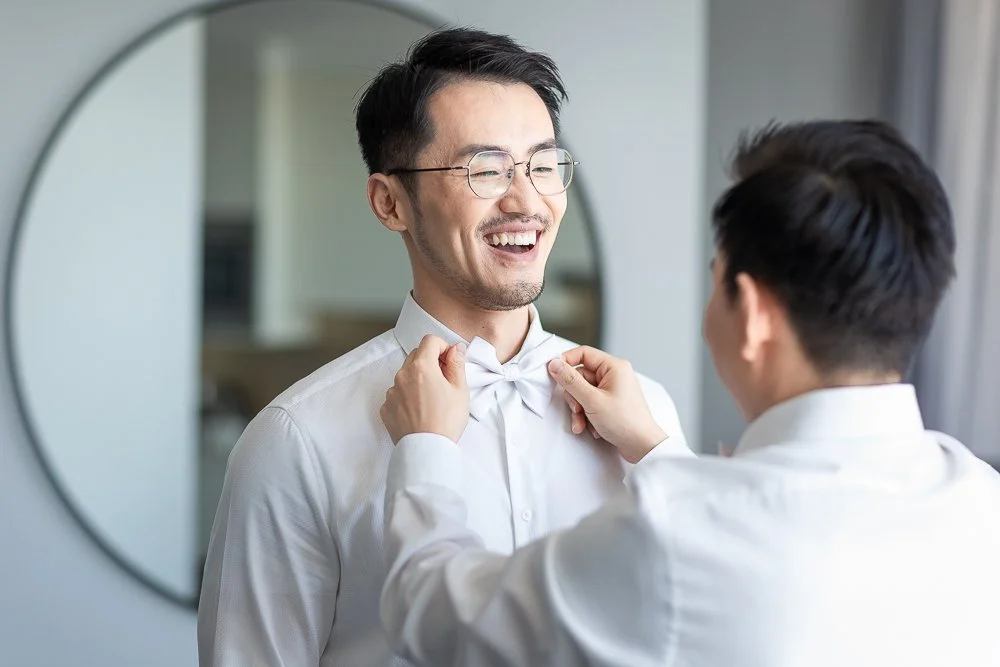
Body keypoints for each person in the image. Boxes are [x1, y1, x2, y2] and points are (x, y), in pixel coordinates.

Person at [379, 119, 1000, 667]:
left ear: (752, 313)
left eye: (716, 284)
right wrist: (652, 448)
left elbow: (436, 618)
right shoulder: (982, 500)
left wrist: (427, 449)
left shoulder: (674, 529)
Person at [197, 28, 689, 666]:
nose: (527, 201)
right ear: (390, 202)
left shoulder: (645, 419)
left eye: (543, 165)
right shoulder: (297, 440)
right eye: (485, 170)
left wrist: (658, 454)